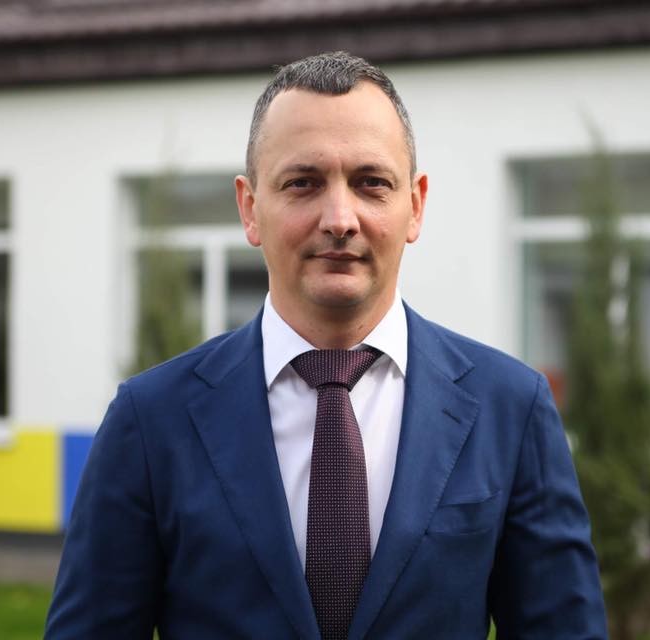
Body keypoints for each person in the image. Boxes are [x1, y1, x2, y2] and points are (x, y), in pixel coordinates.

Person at [45, 51, 607, 639]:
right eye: (303, 183)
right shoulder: (150, 419)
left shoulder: (509, 409)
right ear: (250, 208)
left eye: (371, 183)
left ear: (415, 205)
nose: (340, 219)